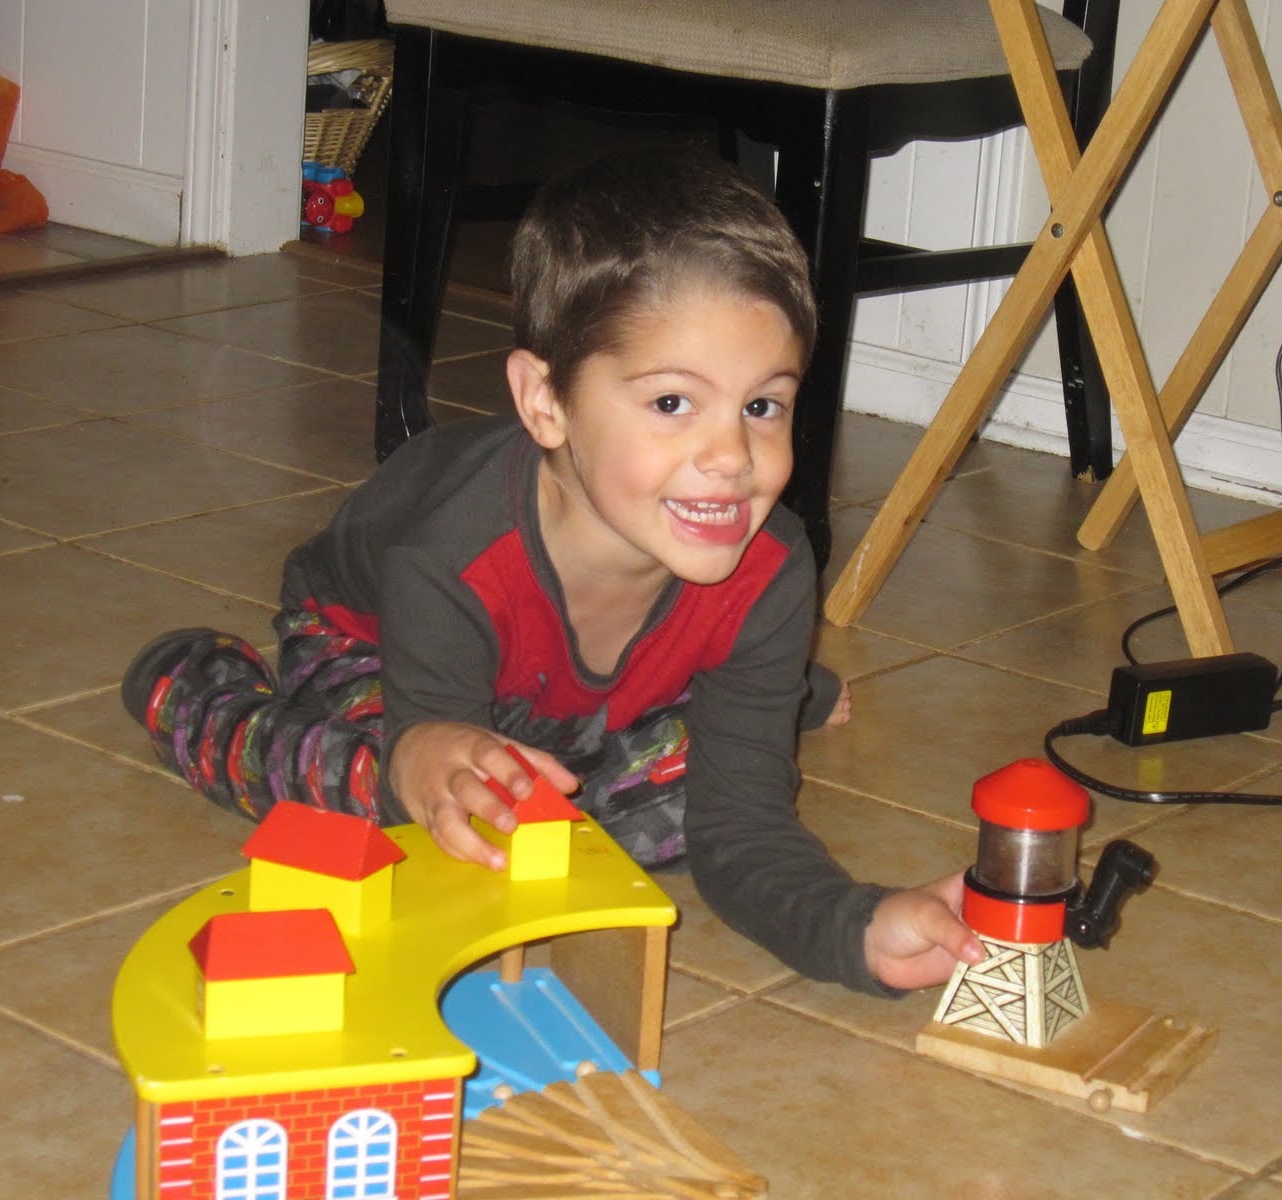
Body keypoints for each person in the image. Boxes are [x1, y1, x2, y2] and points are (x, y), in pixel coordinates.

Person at [121, 148, 981, 995]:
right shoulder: (450, 555)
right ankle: (191, 683)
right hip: (373, 648)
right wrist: (425, 756)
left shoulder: (772, 571)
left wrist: (857, 929)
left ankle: (763, 689)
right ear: (545, 402)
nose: (731, 456)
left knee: (667, 820)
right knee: (398, 811)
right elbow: (430, 746)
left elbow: (744, 829)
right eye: (672, 402)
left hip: (559, 702)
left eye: (763, 405)